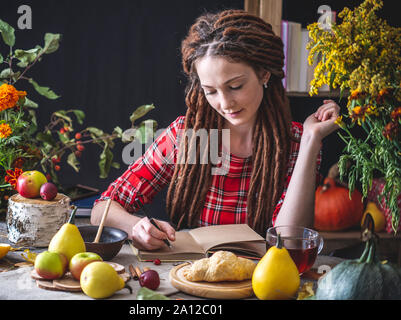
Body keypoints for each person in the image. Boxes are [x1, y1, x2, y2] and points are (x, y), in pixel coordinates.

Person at [90, 9, 340, 251]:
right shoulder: (187, 137)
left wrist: (311, 140)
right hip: (191, 277)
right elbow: (102, 209)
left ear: (264, 74)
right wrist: (136, 226)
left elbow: (290, 239)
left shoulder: (296, 142)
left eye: (235, 86)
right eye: (210, 91)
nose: (225, 103)